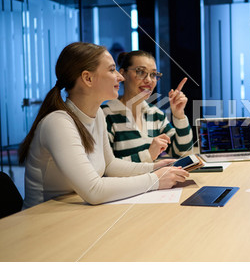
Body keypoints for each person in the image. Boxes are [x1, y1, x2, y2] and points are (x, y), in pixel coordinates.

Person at [18, 42, 189, 209]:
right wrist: (155, 180)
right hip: (43, 221)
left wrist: (153, 167)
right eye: (112, 70)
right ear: (88, 78)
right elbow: (94, 191)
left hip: (76, 213)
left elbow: (110, 165)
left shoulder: (97, 114)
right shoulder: (58, 123)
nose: (120, 77)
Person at [101, 50, 194, 162]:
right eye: (140, 72)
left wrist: (179, 115)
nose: (149, 80)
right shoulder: (105, 115)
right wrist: (148, 155)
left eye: (153, 74)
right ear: (122, 74)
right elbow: (107, 167)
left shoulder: (155, 114)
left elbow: (182, 152)